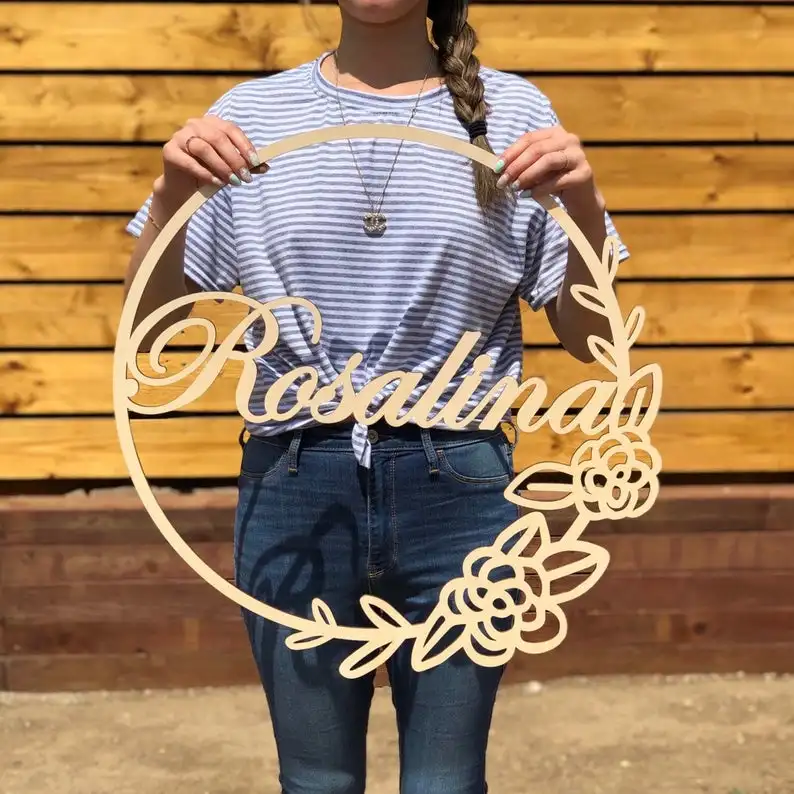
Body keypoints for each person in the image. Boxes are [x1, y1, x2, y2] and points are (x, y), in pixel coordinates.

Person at [124, 0, 629, 790]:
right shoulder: (250, 116)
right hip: (294, 480)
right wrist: (170, 197)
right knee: (316, 783)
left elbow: (589, 336)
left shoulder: (515, 113)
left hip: (461, 487)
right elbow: (151, 323)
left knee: (445, 783)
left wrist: (586, 211)